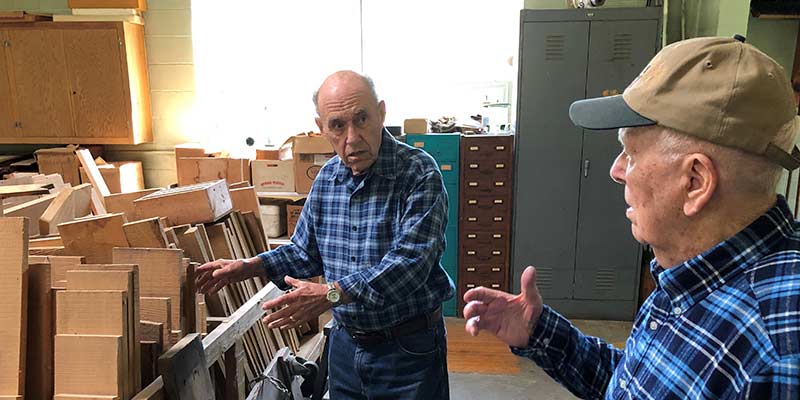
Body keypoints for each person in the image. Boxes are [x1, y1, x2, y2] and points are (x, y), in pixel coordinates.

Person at [463, 36, 800, 398]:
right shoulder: (695, 272)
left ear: (695, 181)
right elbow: (644, 385)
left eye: (631, 152)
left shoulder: (778, 351)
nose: (616, 170)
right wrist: (539, 331)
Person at [196, 70, 454, 399]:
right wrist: (251, 266)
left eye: (362, 119)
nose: (352, 137)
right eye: (337, 125)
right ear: (321, 128)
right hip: (347, 347)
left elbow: (409, 266)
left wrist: (330, 294)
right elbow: (305, 252)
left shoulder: (419, 173)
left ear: (382, 113)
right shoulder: (327, 178)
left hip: (407, 351)